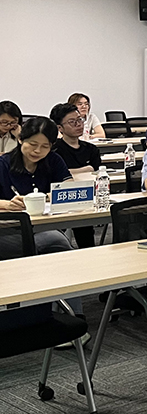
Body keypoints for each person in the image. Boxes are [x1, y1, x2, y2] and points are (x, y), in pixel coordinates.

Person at [0, 117, 86, 332]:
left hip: (42, 227)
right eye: (32, 144)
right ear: (21, 139)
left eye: (45, 146)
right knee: (58, 243)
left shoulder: (53, 160)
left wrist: (51, 195)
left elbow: (68, 187)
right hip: (8, 232)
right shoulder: (3, 164)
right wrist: (6, 204)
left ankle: (71, 316)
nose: (37, 151)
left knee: (59, 247)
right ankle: (65, 314)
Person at [50, 103, 102, 249]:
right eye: (72, 122)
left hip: (86, 196)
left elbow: (96, 168)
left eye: (80, 120)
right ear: (60, 128)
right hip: (60, 196)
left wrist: (70, 171)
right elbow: (59, 173)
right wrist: (86, 169)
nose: (79, 124)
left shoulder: (91, 149)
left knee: (83, 220)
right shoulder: (54, 150)